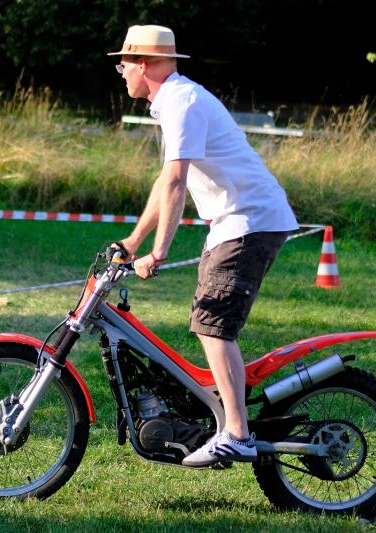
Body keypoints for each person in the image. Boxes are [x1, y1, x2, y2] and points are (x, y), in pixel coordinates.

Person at [108, 25, 299, 465]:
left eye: (123, 64)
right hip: (236, 222)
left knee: (213, 324)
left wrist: (159, 251)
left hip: (249, 221)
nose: (121, 73)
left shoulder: (182, 102)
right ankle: (229, 425)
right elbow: (166, 180)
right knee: (208, 321)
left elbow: (177, 182)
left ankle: (237, 434)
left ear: (143, 64)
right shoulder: (174, 101)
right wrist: (135, 241)